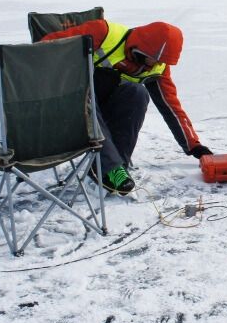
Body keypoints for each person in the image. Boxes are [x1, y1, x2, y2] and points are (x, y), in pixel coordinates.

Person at [42, 19, 211, 195]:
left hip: (101, 114)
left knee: (137, 93)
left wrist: (194, 146)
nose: (156, 64)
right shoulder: (102, 32)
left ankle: (116, 166)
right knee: (85, 93)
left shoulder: (157, 66)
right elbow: (45, 48)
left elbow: (171, 105)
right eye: (155, 59)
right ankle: (108, 168)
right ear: (143, 46)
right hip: (68, 107)